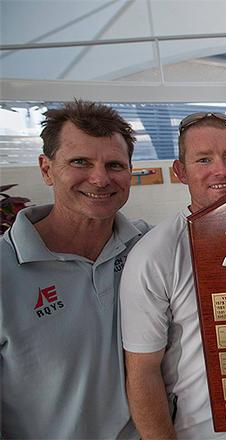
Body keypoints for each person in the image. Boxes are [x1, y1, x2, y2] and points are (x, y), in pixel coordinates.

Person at [0, 100, 148, 438]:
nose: (99, 178)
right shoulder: (5, 271)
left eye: (114, 165)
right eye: (80, 162)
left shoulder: (149, 247)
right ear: (46, 168)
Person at [120, 112, 226, 439]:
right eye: (203, 159)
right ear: (180, 171)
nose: (221, 170)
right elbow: (142, 373)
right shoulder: (156, 255)